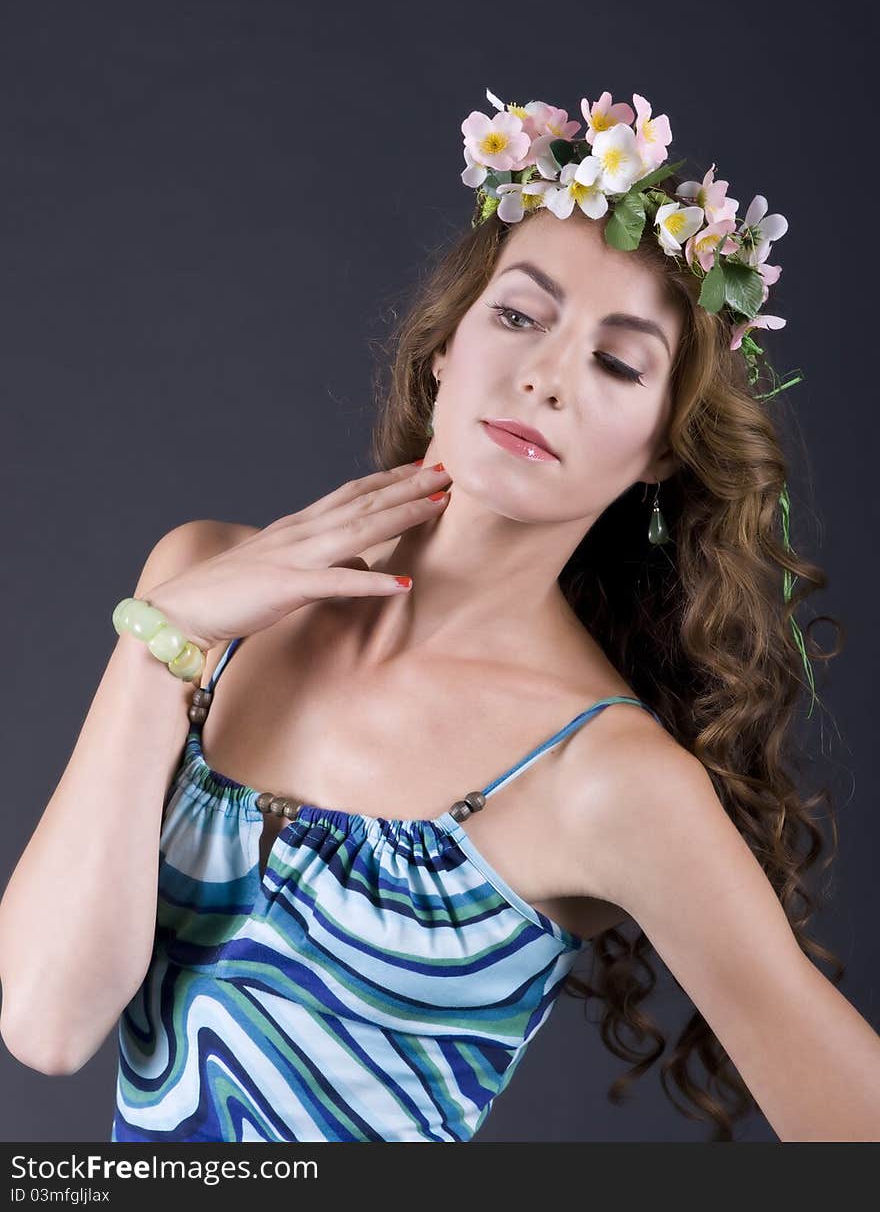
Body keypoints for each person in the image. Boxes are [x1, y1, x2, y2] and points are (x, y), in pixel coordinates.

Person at [1, 88, 879, 1143]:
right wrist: (158, 644)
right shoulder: (199, 586)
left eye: (614, 361)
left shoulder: (609, 781)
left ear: (659, 450)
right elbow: (48, 1026)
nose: (548, 376)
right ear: (443, 351)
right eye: (518, 315)